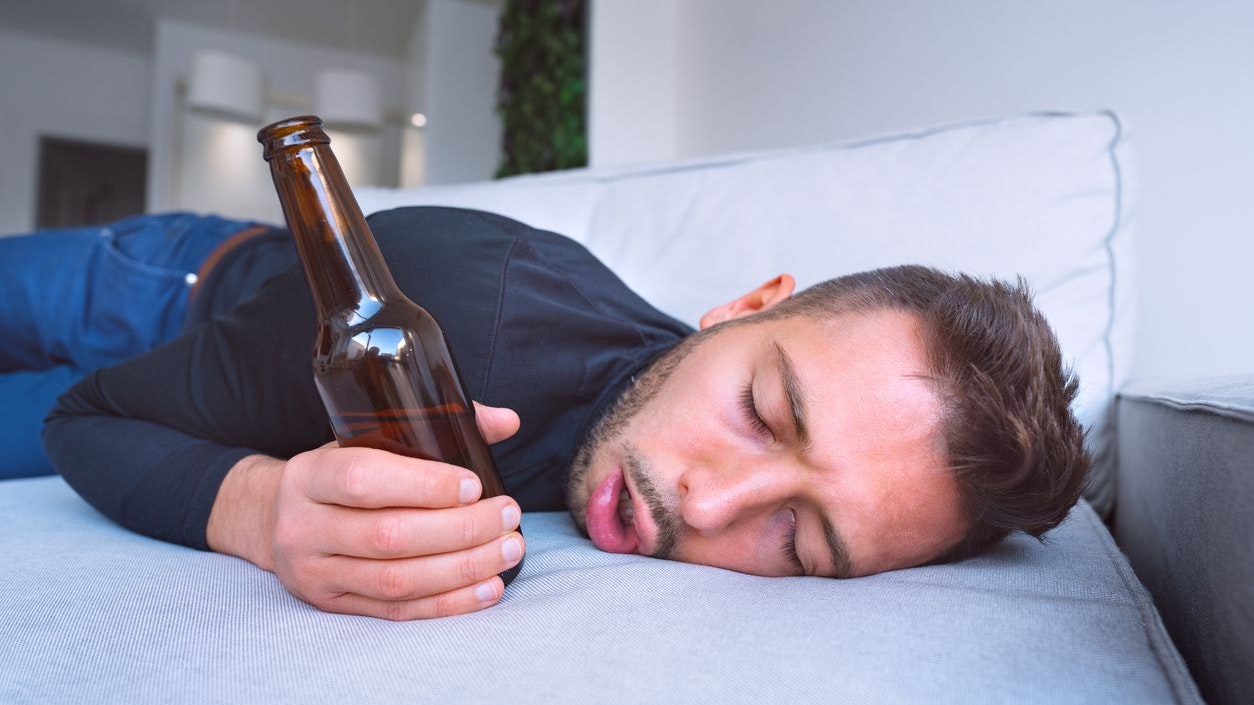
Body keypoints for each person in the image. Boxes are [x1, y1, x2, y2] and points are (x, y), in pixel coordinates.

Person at [35, 206, 1089, 621]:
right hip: (155, 286)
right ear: (742, 309)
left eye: (800, 545)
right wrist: (256, 509)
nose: (709, 504)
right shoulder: (462, 320)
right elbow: (86, 417)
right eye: (765, 414)